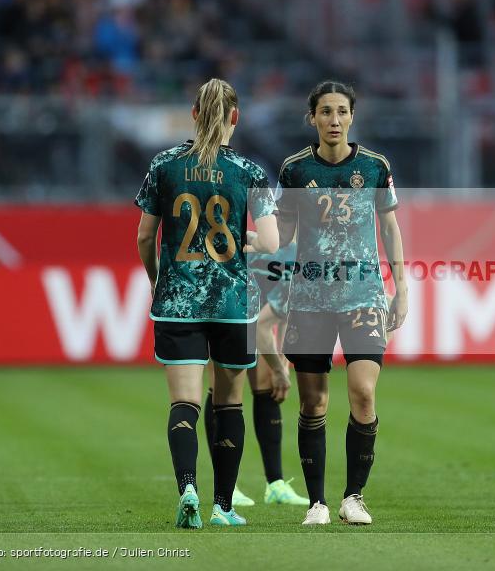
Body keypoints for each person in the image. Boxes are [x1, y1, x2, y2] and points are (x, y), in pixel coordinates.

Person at [249, 80, 409, 526]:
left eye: (341, 112)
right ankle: (317, 502)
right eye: (325, 112)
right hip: (310, 299)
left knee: (363, 392)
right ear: (313, 118)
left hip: (363, 296)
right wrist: (248, 241)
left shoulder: (376, 167)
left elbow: (391, 229)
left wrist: (402, 288)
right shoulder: (295, 170)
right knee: (313, 404)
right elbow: (282, 233)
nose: (334, 120)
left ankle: (353, 497)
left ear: (352, 116)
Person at [135, 77, 278, 529]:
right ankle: (223, 506)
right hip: (233, 303)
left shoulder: (164, 164)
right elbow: (272, 241)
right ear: (235, 118)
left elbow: (143, 236)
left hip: (178, 301)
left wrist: (158, 278)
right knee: (230, 405)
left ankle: (188, 490)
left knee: (185, 404)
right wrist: (245, 241)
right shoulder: (249, 170)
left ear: (193, 115)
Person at [202, 241, 309, 508]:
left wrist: (283, 364)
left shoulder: (301, 252)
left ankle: (275, 484)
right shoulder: (262, 239)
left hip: (260, 317)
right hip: (229, 309)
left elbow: (286, 313)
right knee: (222, 391)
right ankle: (227, 485)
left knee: (266, 389)